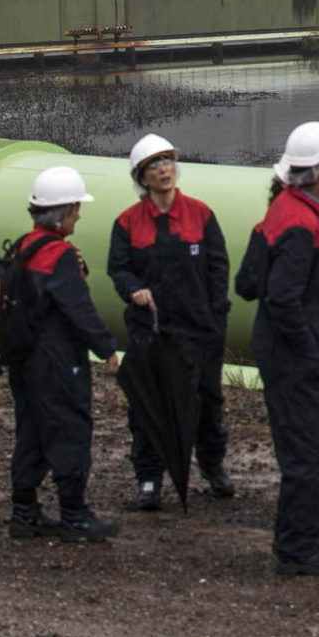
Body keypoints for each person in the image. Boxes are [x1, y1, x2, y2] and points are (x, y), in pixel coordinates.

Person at [239, 122, 319, 576]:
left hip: (292, 351)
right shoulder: (300, 222)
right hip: (293, 356)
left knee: (304, 449)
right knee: (304, 452)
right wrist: (309, 350)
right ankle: (295, 550)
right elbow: (282, 297)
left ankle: (301, 535)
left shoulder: (294, 209)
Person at [107, 133, 233, 511]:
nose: (165, 170)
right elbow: (118, 268)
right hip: (151, 333)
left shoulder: (201, 214)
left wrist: (215, 319)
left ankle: (213, 467)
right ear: (142, 177)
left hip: (199, 331)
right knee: (148, 405)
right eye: (156, 165)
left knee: (208, 402)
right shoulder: (127, 223)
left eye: (168, 162)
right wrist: (133, 290)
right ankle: (149, 478)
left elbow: (217, 268)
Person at [7, 164, 122, 544]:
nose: (78, 215)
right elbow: (79, 309)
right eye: (75, 209)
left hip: (24, 359)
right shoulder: (61, 256)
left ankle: (24, 512)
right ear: (63, 213)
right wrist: (106, 348)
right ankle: (74, 514)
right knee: (70, 430)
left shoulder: (21, 247)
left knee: (32, 432)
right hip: (57, 361)